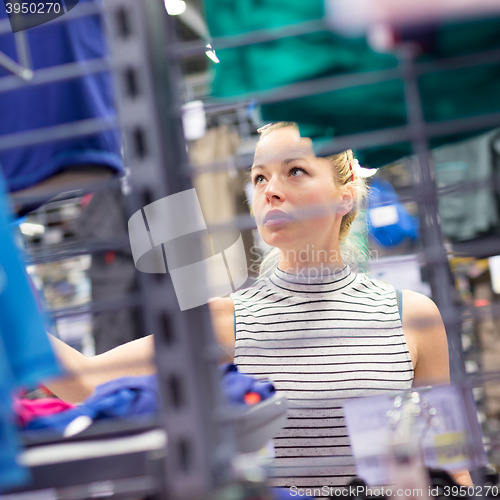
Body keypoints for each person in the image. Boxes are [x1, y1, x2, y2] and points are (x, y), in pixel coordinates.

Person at [45, 122, 472, 488]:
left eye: (295, 171)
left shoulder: (411, 316)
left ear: (346, 197)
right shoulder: (224, 320)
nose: (270, 192)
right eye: (259, 178)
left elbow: (450, 465)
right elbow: (86, 380)